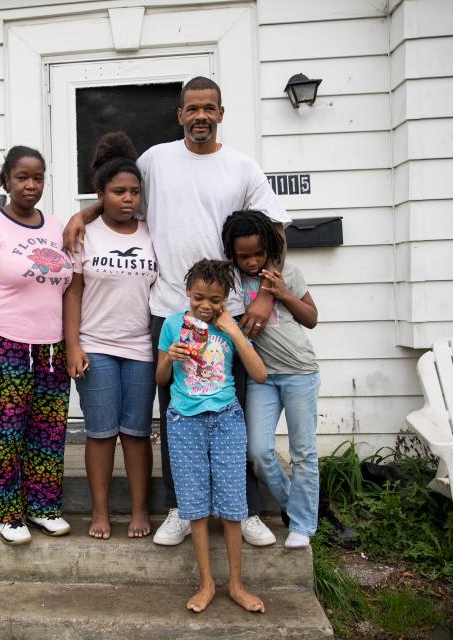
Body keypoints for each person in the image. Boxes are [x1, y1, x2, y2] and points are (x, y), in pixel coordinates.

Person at [64, 76, 291, 547]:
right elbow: (116, 192)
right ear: (180, 115)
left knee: (233, 414)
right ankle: (180, 509)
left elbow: (275, 232)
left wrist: (267, 295)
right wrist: (81, 215)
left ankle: (244, 509)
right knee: (176, 418)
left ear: (221, 113)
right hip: (168, 309)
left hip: (226, 315)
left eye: (210, 108)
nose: (201, 116)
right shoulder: (155, 160)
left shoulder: (242, 168)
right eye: (193, 109)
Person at [0, 146, 73, 545]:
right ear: (6, 179)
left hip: (52, 350)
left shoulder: (56, 226)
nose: (31, 185)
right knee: (5, 433)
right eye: (22, 177)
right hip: (5, 345)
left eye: (38, 177)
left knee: (48, 430)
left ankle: (43, 506)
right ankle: (6, 512)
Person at [155, 259, 267, 614]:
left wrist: (233, 331)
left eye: (215, 299)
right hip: (184, 421)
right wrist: (169, 359)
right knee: (195, 506)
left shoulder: (231, 326)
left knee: (234, 505)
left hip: (226, 420)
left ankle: (236, 584)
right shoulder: (173, 325)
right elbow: (159, 379)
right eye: (199, 297)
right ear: (187, 293)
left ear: (226, 298)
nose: (206, 305)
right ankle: (207, 583)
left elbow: (260, 375)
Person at [63, 132, 157, 539]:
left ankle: (139, 512)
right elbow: (73, 291)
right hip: (95, 347)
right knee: (101, 434)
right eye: (118, 191)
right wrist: (72, 344)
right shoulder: (85, 234)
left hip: (141, 348)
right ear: (100, 194)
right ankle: (99, 513)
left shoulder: (153, 232)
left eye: (134, 191)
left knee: (136, 434)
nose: (128, 199)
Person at [222, 210, 320, 549]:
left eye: (258, 254)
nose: (251, 261)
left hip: (298, 372)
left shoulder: (287, 273)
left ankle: (302, 525)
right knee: (259, 451)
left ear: (269, 250)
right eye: (243, 256)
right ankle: (298, 505)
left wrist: (284, 293)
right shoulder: (231, 281)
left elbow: (312, 319)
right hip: (261, 377)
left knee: (303, 451)